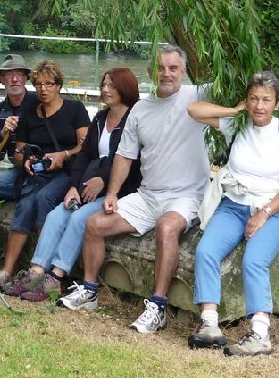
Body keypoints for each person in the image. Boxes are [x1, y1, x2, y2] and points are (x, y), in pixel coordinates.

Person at [59, 44, 209, 335]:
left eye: (173, 68)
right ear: (151, 71)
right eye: (161, 68)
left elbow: (239, 83)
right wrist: (113, 193)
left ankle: (158, 306)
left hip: (187, 194)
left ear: (184, 71)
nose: (166, 74)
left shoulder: (199, 96)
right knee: (94, 224)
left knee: (167, 228)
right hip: (148, 194)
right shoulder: (140, 109)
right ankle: (89, 291)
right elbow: (124, 156)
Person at [186, 70, 279, 356]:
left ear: (277, 103)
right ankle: (210, 324)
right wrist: (235, 109)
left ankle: (260, 333)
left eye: (266, 99)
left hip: (272, 208)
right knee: (206, 251)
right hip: (234, 205)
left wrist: (263, 214)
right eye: (253, 99)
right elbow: (194, 110)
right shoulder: (236, 125)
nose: (259, 106)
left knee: (254, 259)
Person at [8, 68, 141, 302]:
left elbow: (131, 161)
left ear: (126, 88)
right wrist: (73, 186)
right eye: (103, 85)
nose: (105, 90)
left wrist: (104, 180)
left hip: (119, 190)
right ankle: (36, 272)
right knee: (57, 215)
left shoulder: (136, 119)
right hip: (88, 184)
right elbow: (85, 155)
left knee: (80, 218)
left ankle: (56, 277)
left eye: (112, 86)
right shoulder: (100, 118)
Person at [0, 59, 90, 286]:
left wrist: (64, 155)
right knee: (24, 204)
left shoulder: (74, 109)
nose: (44, 89)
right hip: (35, 173)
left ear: (58, 85)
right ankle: (7, 271)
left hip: (65, 172)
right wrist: (26, 159)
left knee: (40, 199)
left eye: (49, 84)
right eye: (39, 84)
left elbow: (86, 147)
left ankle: (41, 269)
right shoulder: (25, 113)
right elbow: (15, 151)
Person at [0, 53, 39, 174]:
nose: (14, 79)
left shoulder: (39, 104)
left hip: (42, 167)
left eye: (19, 74)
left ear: (26, 78)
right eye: (8, 74)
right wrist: (3, 133)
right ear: (2, 79)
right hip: (18, 171)